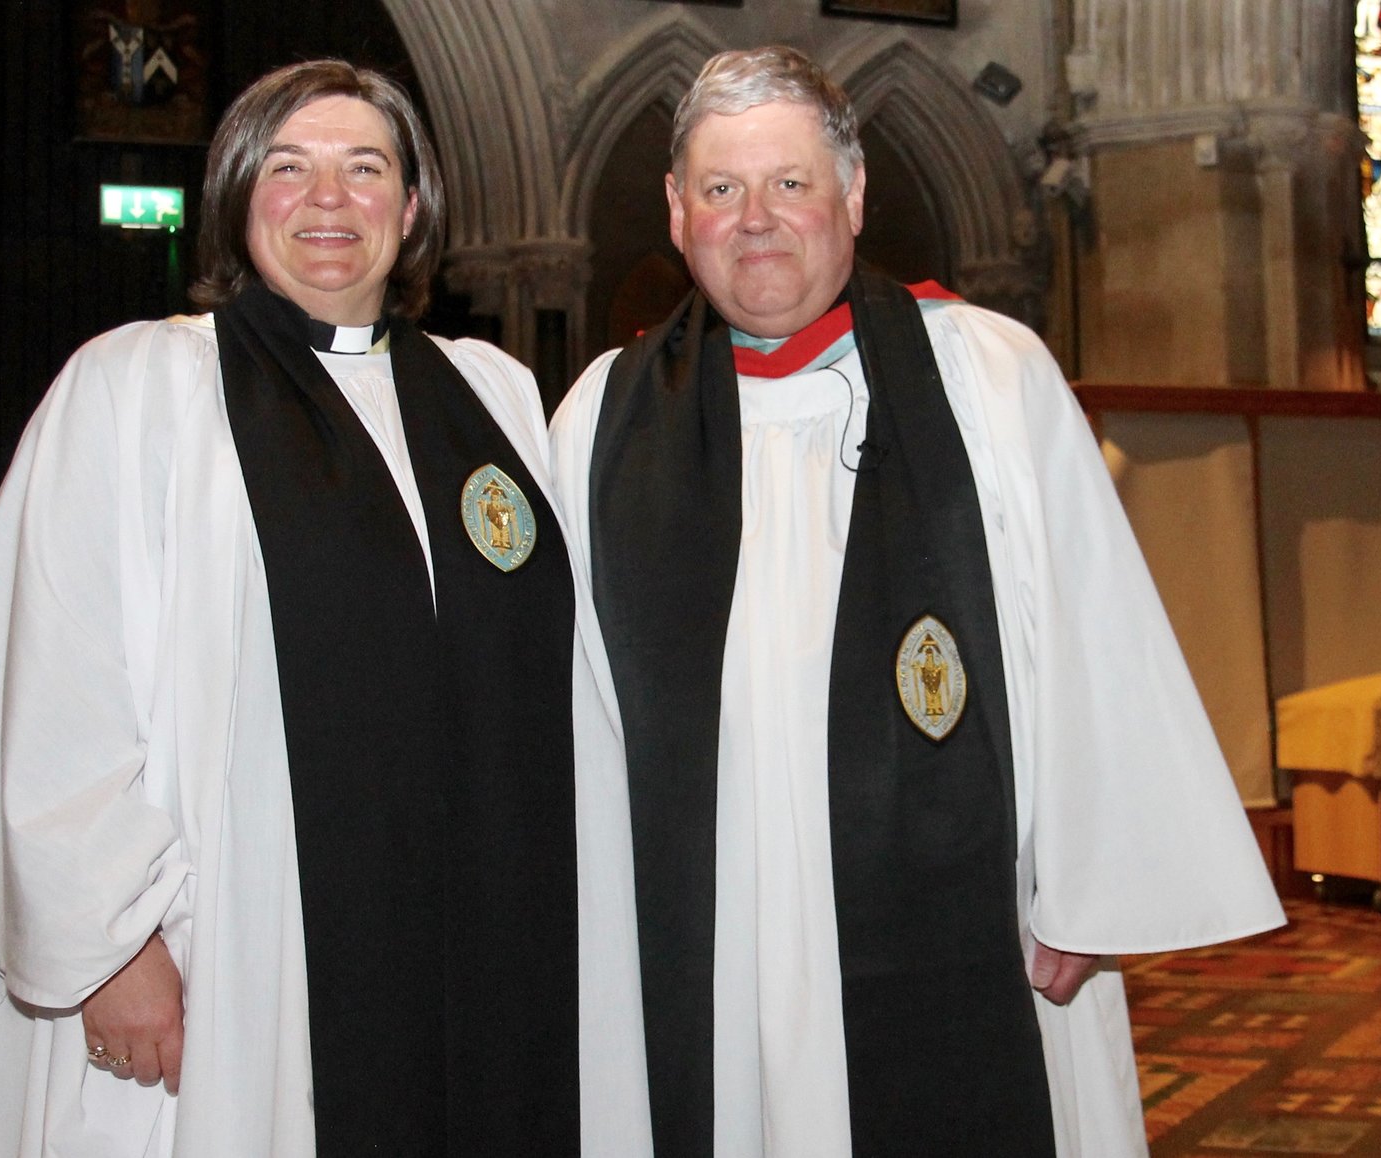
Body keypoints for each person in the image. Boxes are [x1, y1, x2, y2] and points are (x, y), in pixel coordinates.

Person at [550, 46, 1286, 1157]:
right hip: (708, 929)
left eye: (791, 184)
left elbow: (1094, 632)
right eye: (720, 189)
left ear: (853, 195)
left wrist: (1083, 891)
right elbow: (566, 713)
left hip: (966, 922)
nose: (756, 219)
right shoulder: (603, 416)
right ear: (673, 211)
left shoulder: (987, 374)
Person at [0, 59, 647, 1155]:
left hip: (488, 940)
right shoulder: (142, 386)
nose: (330, 201)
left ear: (411, 207)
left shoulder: (490, 395)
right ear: (238, 196)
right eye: (290, 168)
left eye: (365, 169)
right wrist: (109, 948)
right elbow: (61, 676)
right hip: (235, 951)